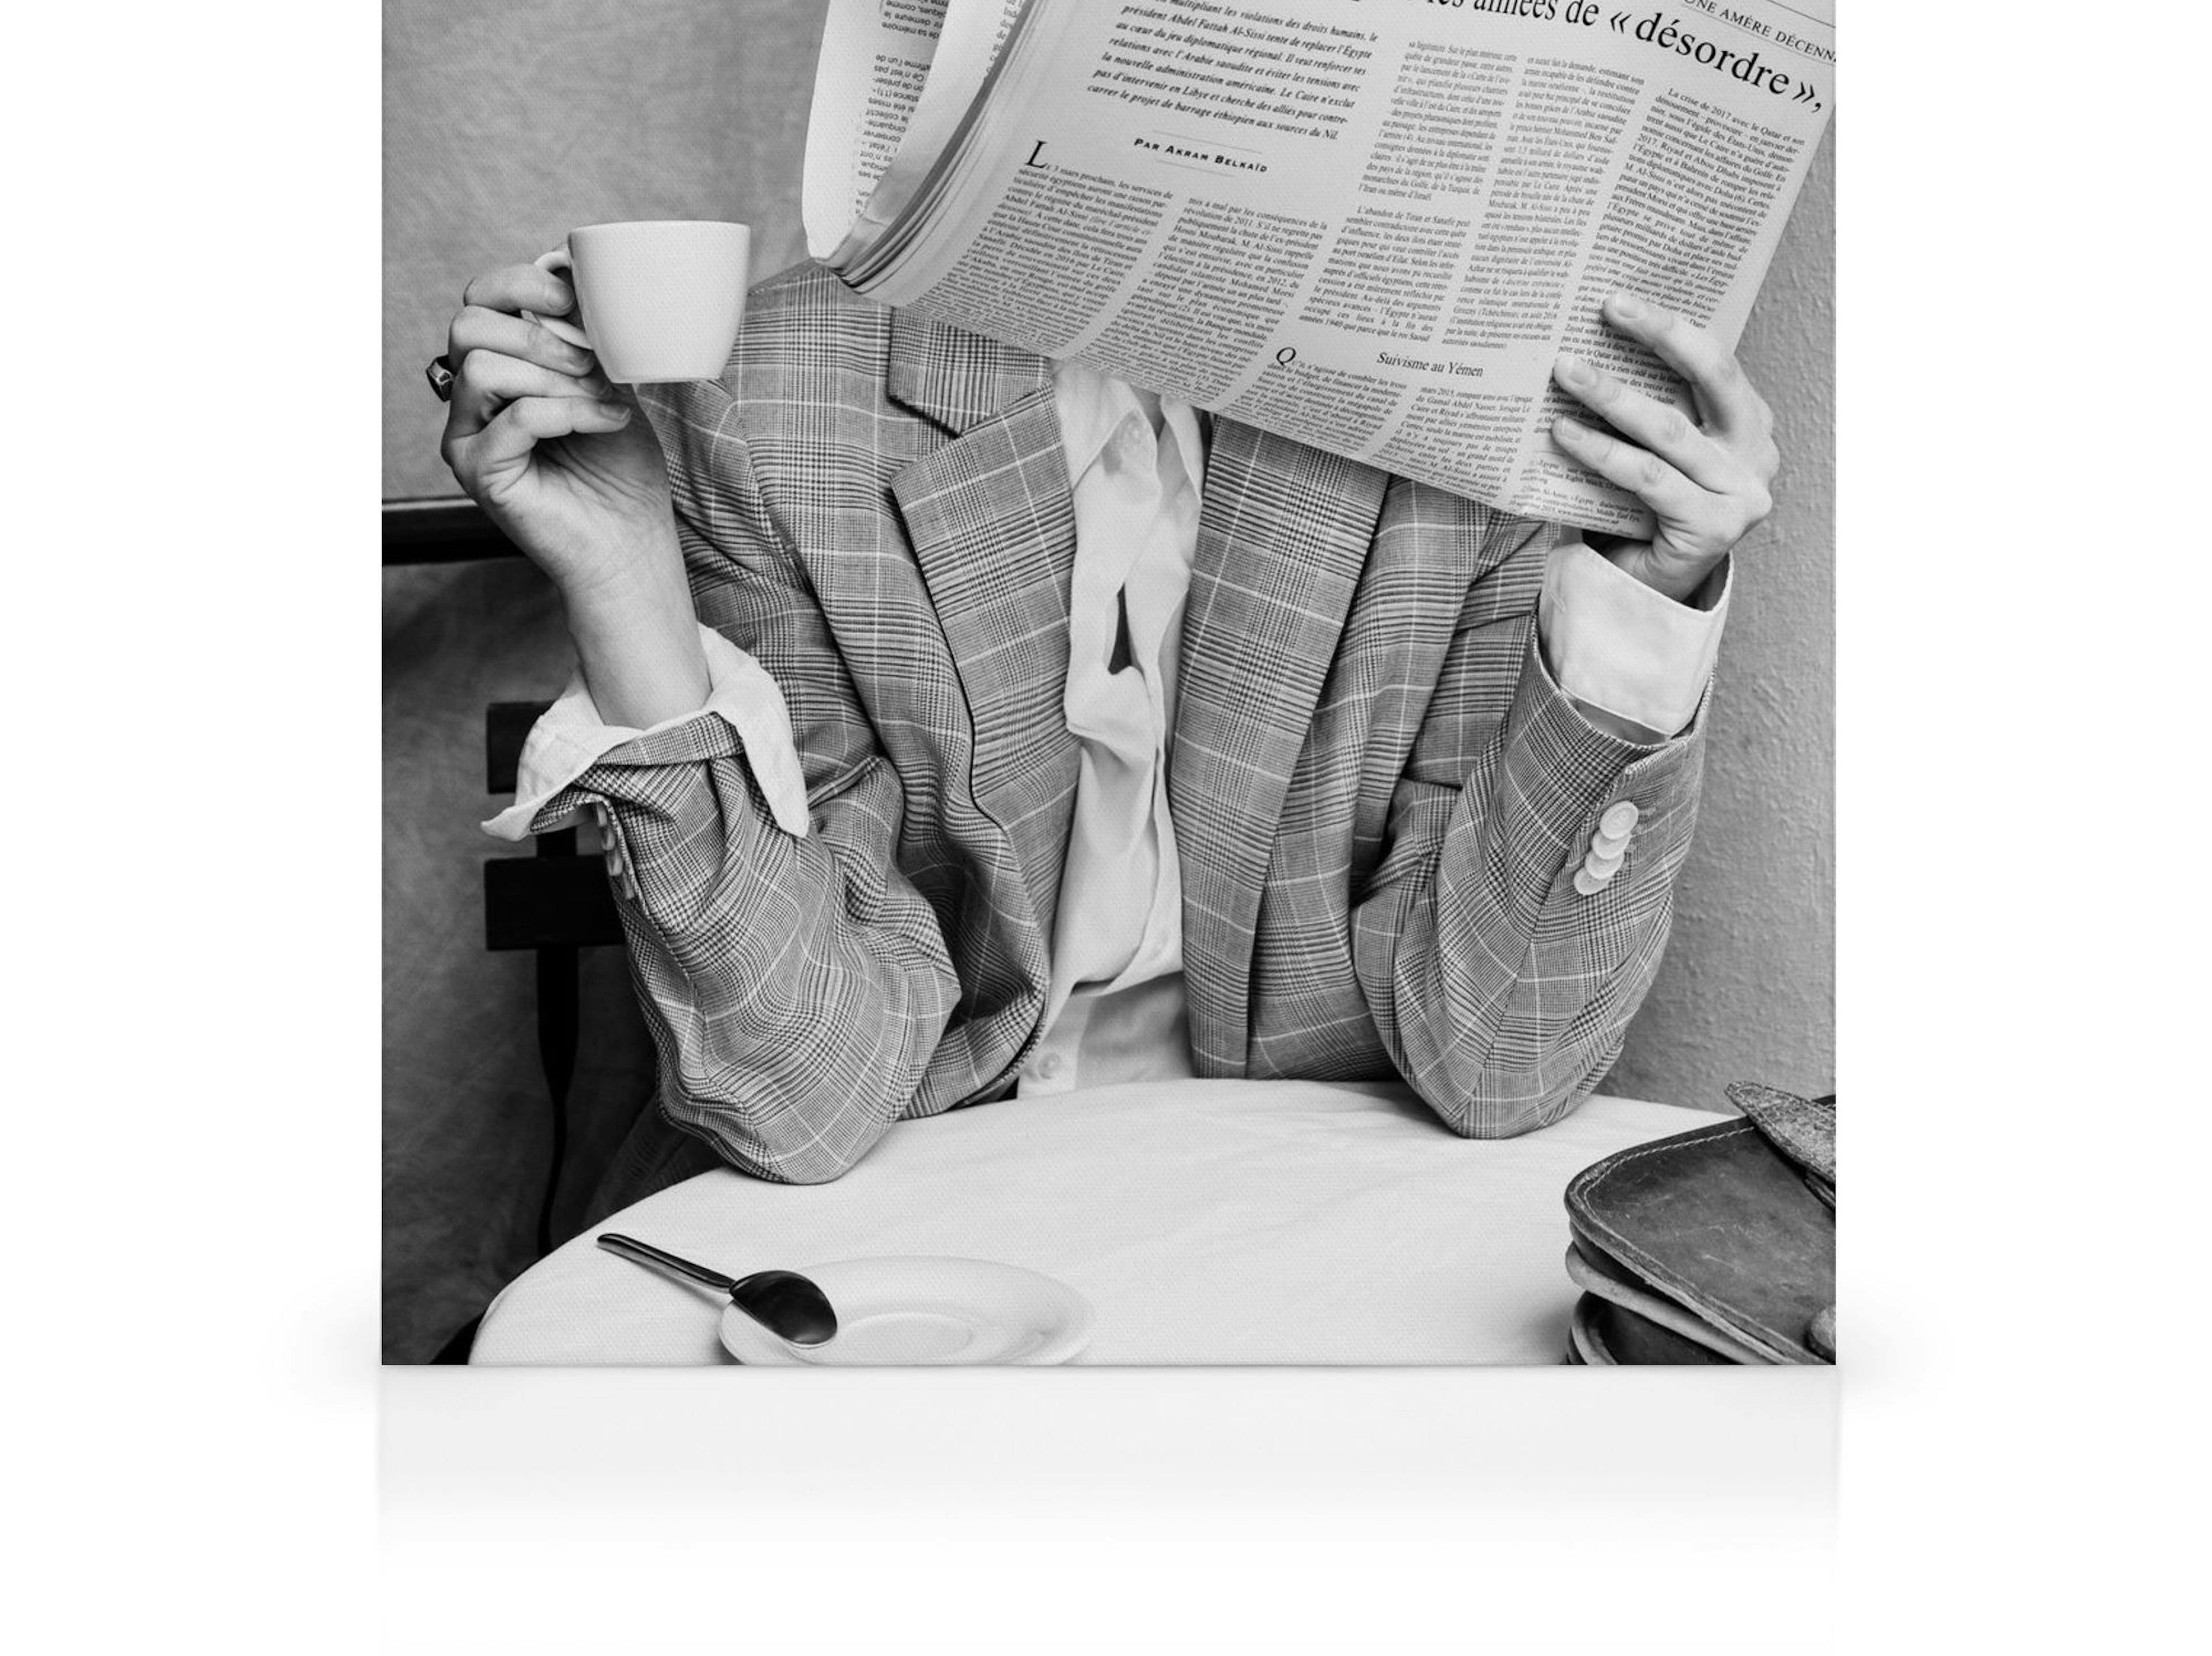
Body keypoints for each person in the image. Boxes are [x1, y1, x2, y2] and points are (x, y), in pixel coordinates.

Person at [439, 254, 1779, 1188]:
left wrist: (1643, 612)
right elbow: (806, 1090)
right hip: (913, 1199)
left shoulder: (1481, 409)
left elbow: (1499, 1059)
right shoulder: (762, 394)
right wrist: (623, 580)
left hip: (1295, 1213)